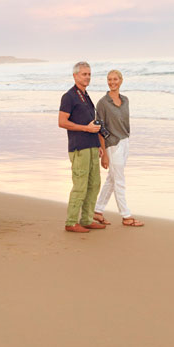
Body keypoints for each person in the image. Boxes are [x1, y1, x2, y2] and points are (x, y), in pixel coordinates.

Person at [58, 61, 107, 233]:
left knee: (94, 184)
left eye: (89, 74)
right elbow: (62, 122)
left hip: (92, 146)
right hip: (79, 148)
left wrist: (99, 145)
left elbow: (93, 123)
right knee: (80, 185)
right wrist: (85, 128)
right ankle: (71, 222)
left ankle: (86, 219)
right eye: (84, 74)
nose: (87, 77)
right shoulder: (69, 96)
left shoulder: (86, 96)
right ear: (75, 76)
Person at [94, 69, 144, 227]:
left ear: (121, 80)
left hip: (125, 141)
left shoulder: (126, 100)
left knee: (112, 178)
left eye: (115, 79)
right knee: (120, 180)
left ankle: (97, 210)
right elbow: (99, 128)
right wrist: (104, 153)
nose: (112, 82)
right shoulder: (102, 103)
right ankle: (126, 215)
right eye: (109, 79)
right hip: (112, 144)